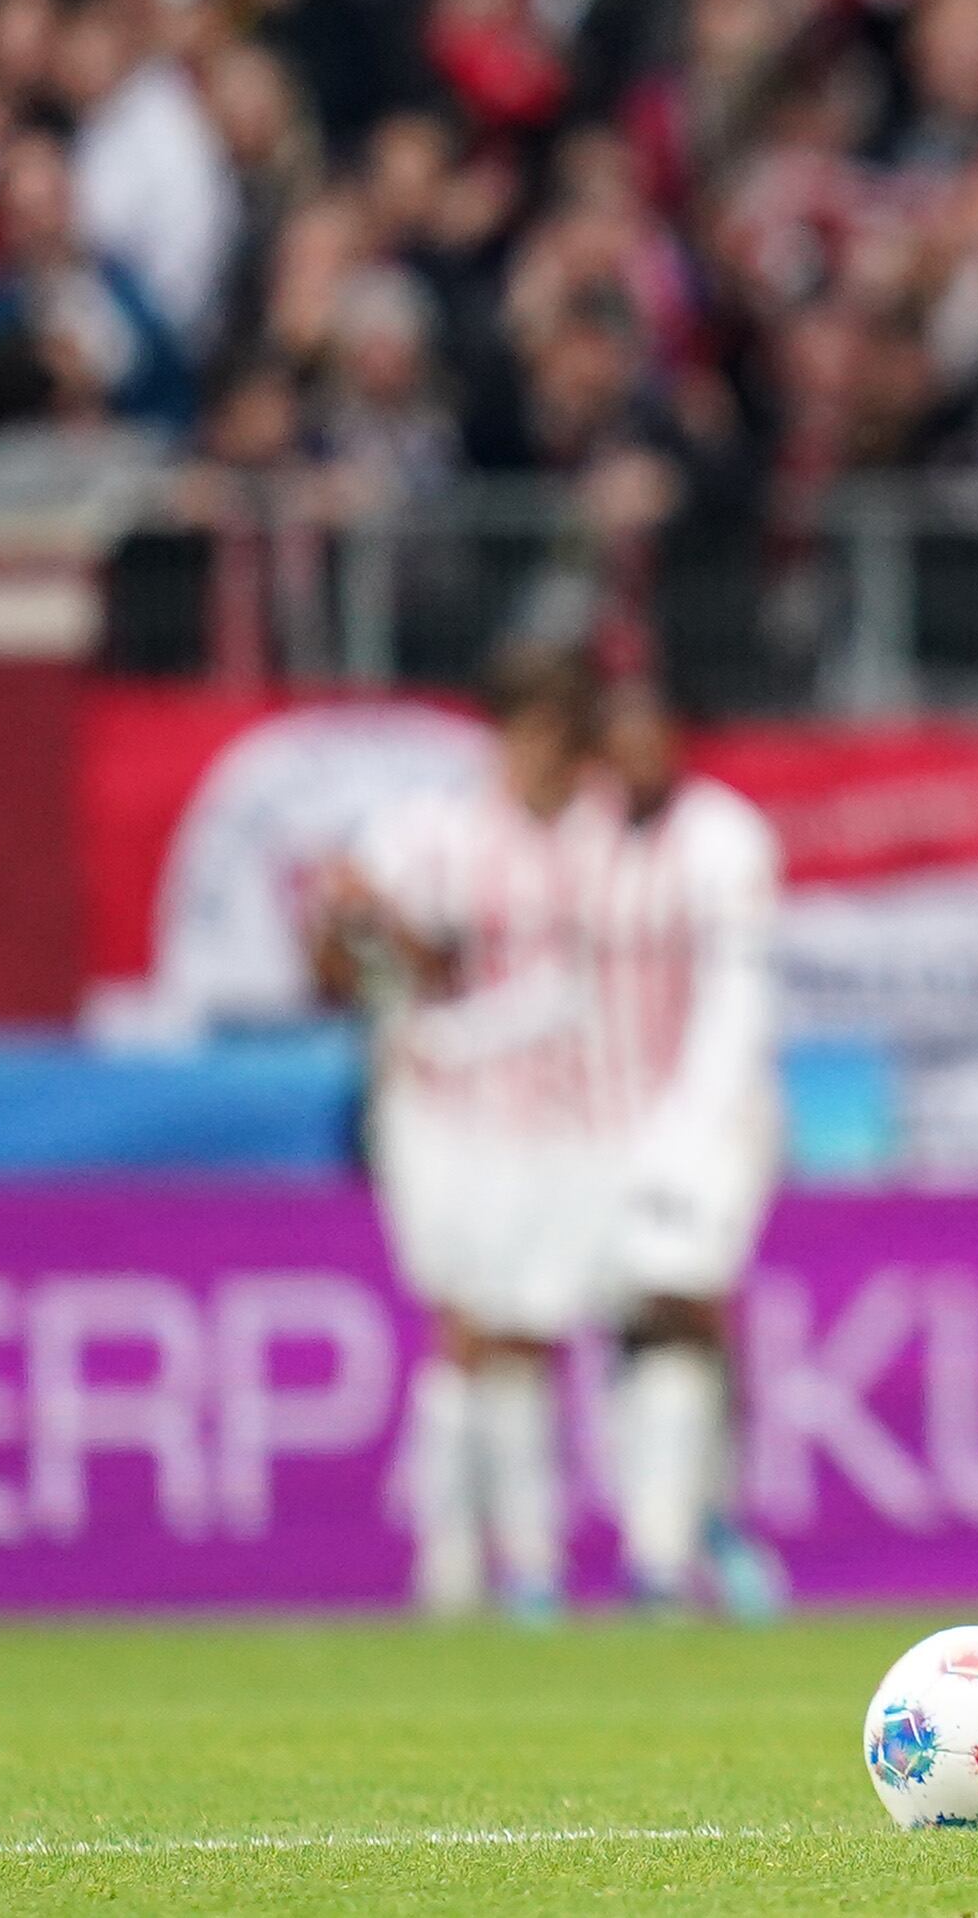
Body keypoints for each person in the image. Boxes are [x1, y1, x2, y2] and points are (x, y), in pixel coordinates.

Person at [315, 641, 617, 1621]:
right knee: (466, 1318)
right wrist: (359, 921)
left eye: (564, 740)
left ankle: (528, 1554)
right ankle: (447, 1553)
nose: (548, 759)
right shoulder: (425, 832)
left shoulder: (600, 842)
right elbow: (339, 957)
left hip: (559, 1121)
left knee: (529, 1326)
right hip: (440, 1109)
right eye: (533, 734)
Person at [586, 676, 791, 1617]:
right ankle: (700, 1516)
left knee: (680, 1304)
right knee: (638, 1322)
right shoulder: (584, 843)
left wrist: (680, 1137)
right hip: (600, 1128)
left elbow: (735, 1006)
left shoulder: (726, 839)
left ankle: (662, 1555)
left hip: (710, 1126)